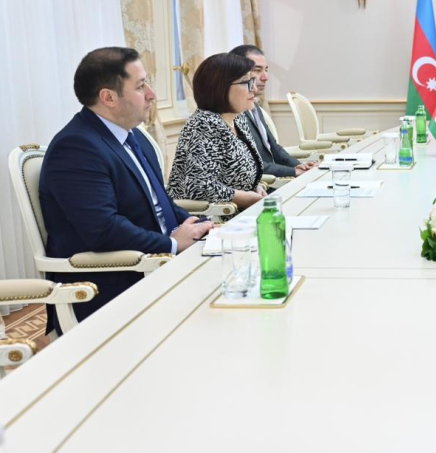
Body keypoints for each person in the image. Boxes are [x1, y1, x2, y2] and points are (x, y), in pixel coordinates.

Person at [40, 47, 212, 328]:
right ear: (108, 97)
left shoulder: (134, 137)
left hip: (158, 264)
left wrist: (201, 226)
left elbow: (160, 203)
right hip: (114, 284)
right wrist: (172, 244)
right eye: (141, 86)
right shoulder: (76, 147)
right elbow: (104, 229)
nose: (152, 94)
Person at [167, 53, 266, 209]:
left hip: (238, 212)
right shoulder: (203, 125)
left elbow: (238, 174)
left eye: (252, 81)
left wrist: (255, 187)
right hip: (210, 218)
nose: (253, 88)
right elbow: (198, 187)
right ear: (220, 87)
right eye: (246, 82)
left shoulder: (238, 119)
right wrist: (244, 197)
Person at [229, 44, 316, 179]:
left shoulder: (254, 106)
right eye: (257, 70)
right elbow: (249, 164)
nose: (266, 77)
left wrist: (299, 166)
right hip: (262, 183)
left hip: (270, 180)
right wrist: (292, 172)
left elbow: (274, 148)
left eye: (266, 70)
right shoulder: (230, 114)